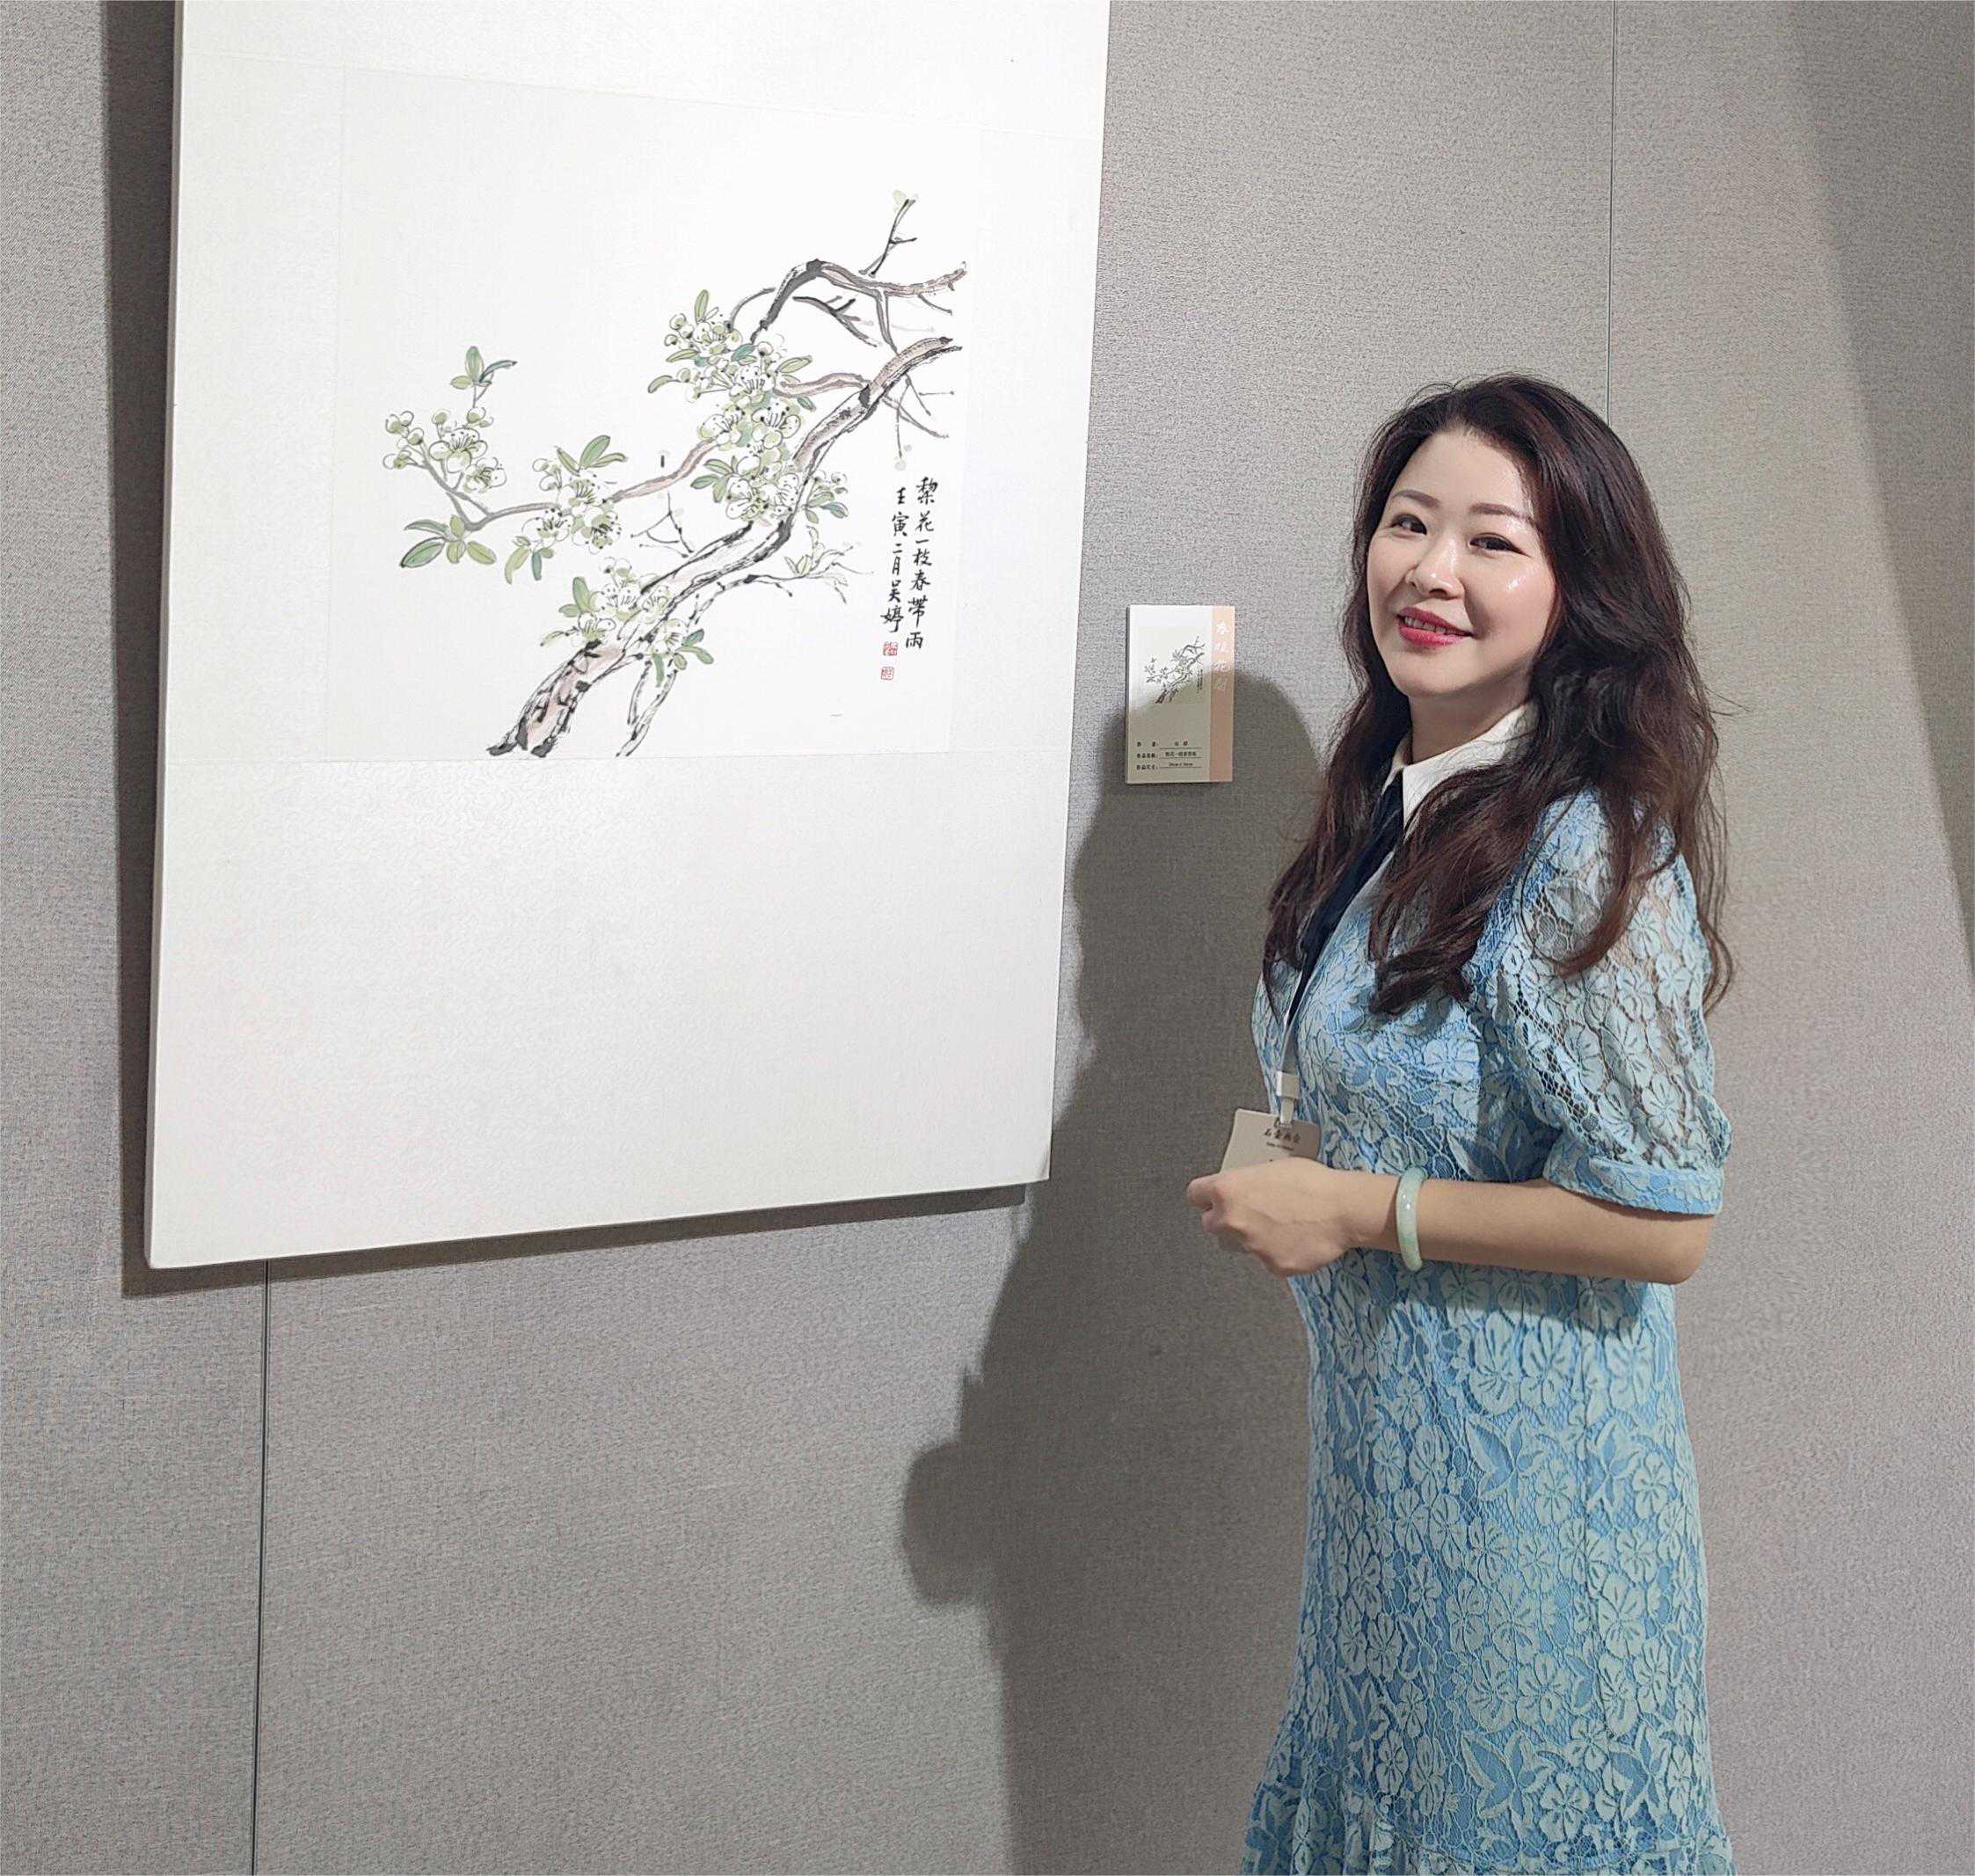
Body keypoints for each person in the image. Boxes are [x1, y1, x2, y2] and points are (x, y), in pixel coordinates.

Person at [1185, 374, 1739, 1874]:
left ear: (1578, 595)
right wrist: (1289, 1175)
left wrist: (1355, 1210)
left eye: (1492, 540)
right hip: (1385, 1483)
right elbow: (1368, 1086)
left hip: (1533, 1514)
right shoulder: (1389, 802)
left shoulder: (1580, 850)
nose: (1429, 570)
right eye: (1406, 523)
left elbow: (1664, 1219)